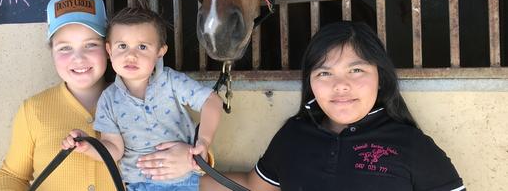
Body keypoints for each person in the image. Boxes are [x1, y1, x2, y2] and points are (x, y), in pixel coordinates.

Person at [198, 21, 465, 191]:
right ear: (310, 82)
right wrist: (176, 177)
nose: (341, 85)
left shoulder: (412, 144)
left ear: (380, 77)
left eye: (356, 70)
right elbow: (253, 187)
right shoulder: (293, 135)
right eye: (324, 73)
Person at [0, 0, 195, 191]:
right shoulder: (34, 110)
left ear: (109, 49)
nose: (79, 58)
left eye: (90, 45)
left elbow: (200, 155)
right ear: (51, 51)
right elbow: (12, 176)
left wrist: (191, 159)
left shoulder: (142, 97)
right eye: (64, 48)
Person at [62, 0, 223, 191]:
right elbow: (114, 149)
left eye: (143, 47)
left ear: (160, 52)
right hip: (139, 185)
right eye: (122, 46)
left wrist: (203, 141)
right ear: (109, 50)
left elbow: (211, 101)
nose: (131, 55)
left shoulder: (171, 82)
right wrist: (89, 146)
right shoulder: (109, 99)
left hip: (184, 180)